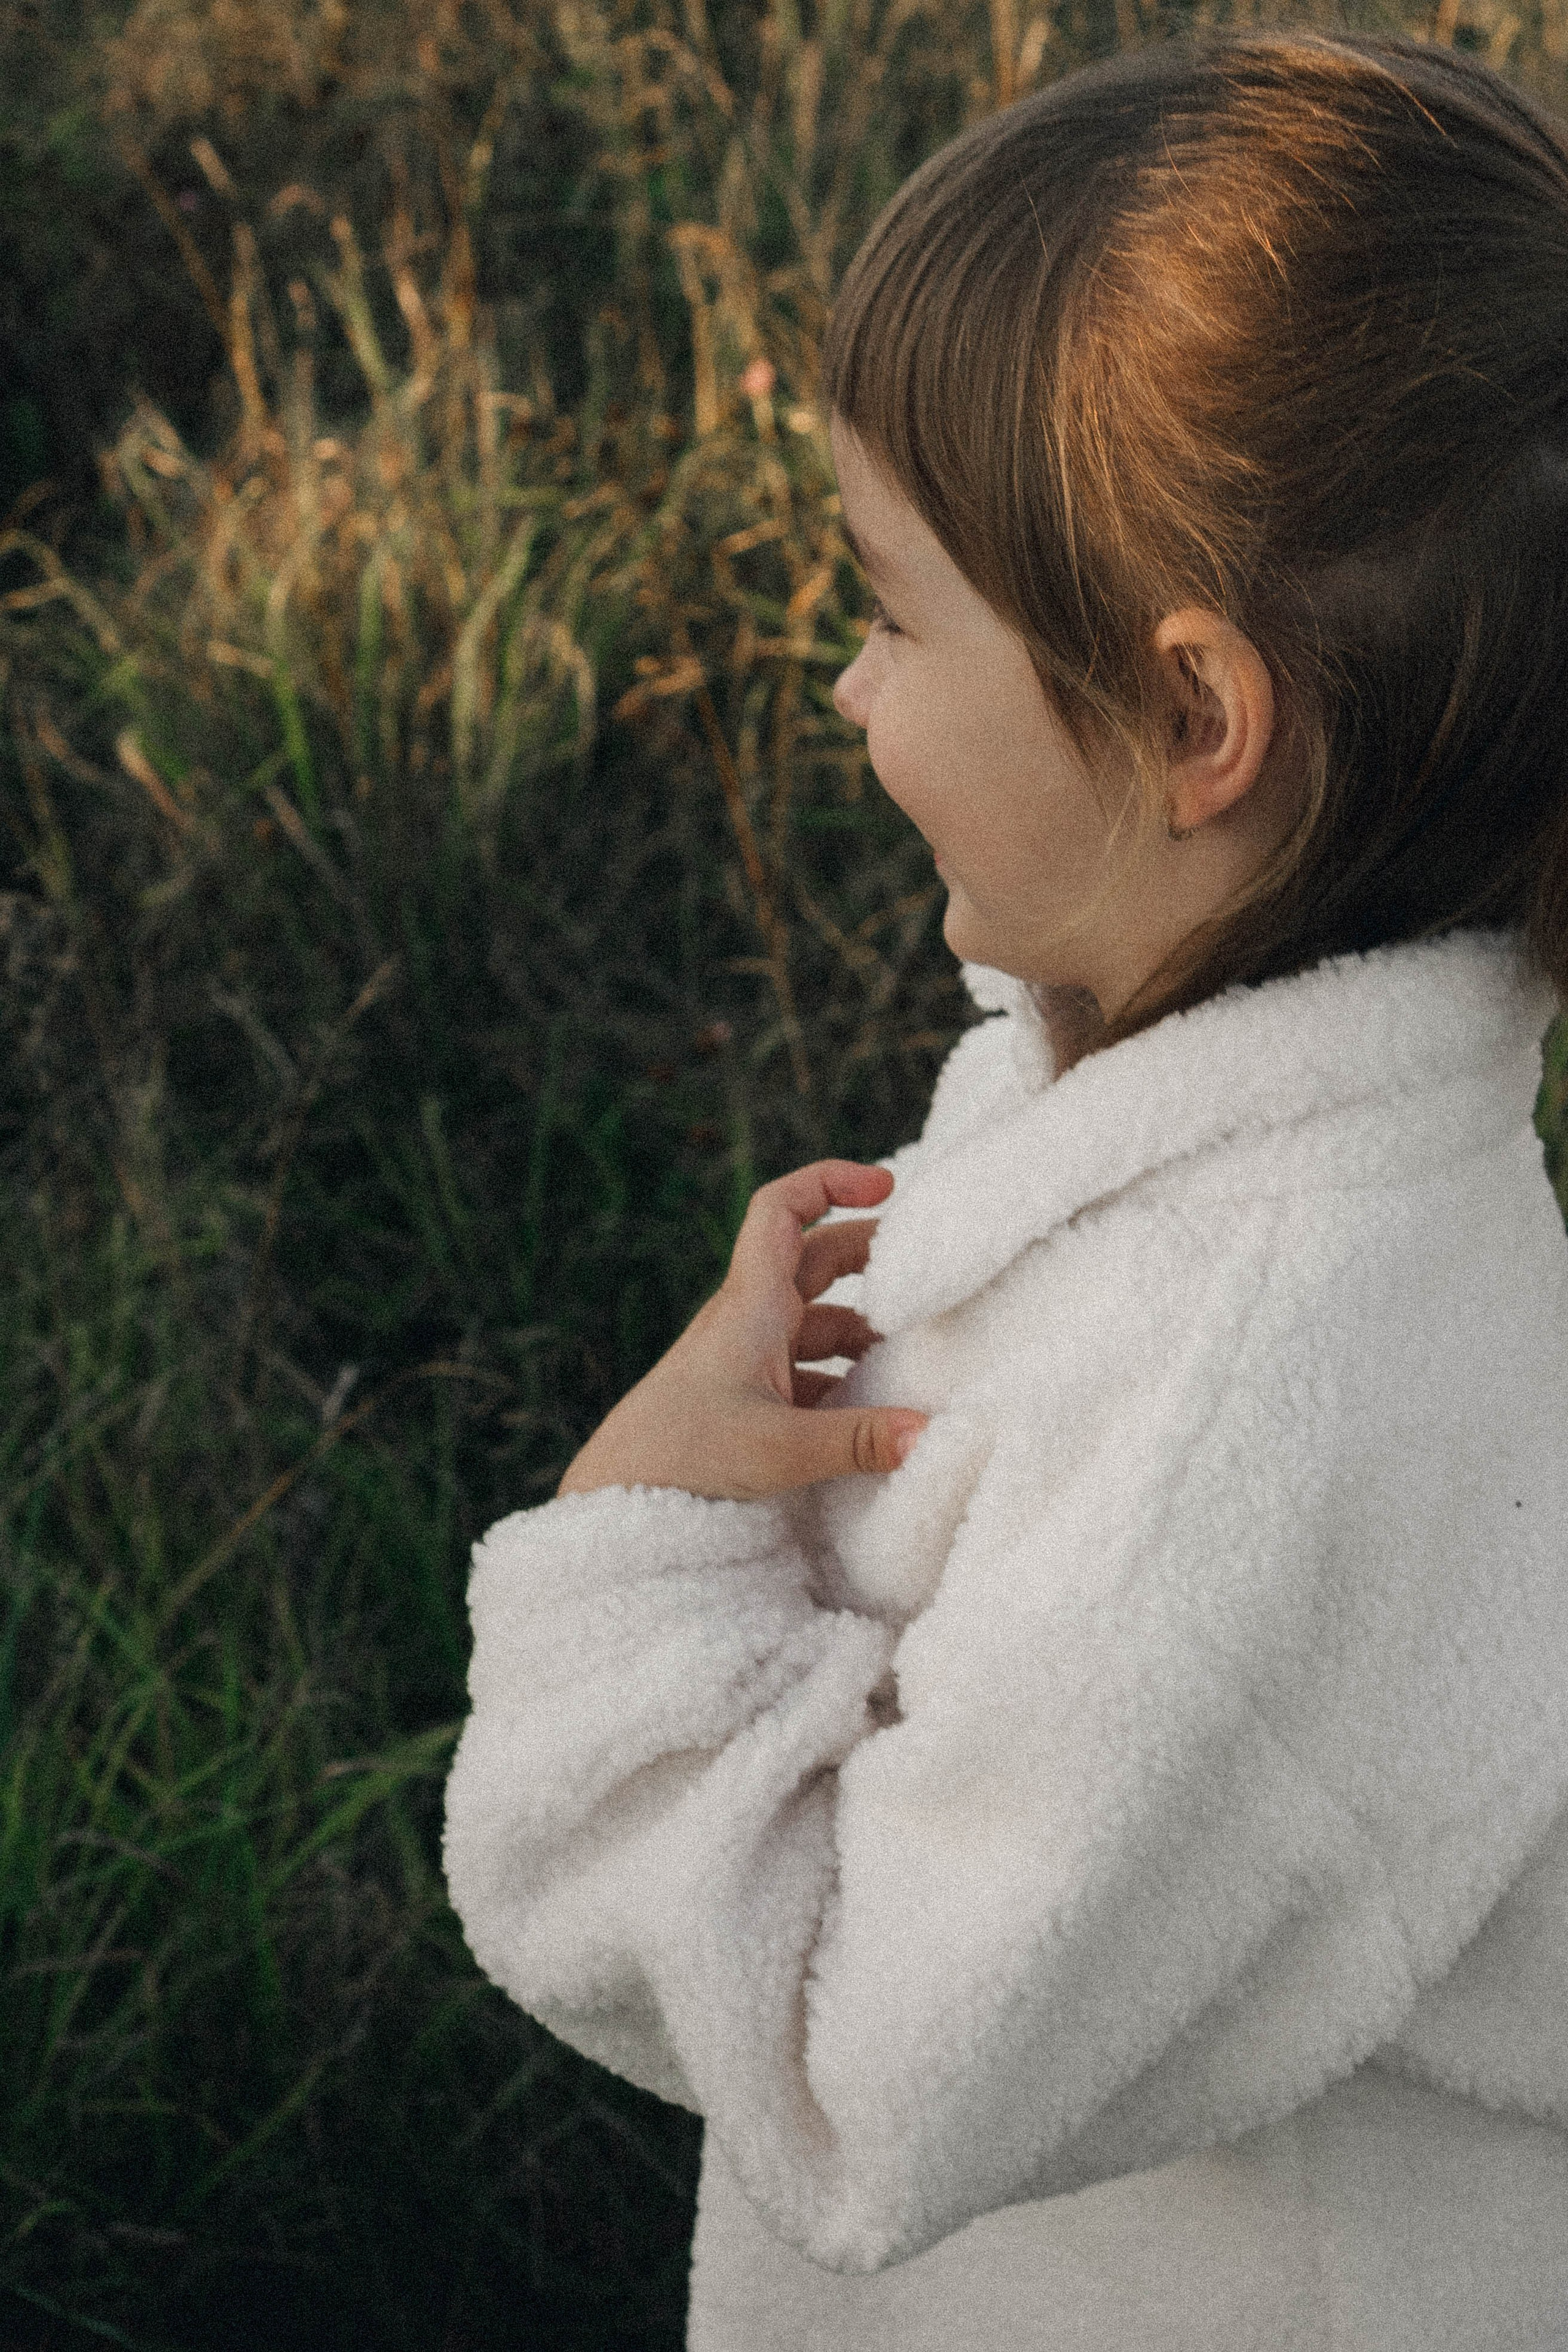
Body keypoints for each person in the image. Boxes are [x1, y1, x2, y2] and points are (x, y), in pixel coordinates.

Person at [443, 26, 1568, 2349]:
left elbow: (867, 2078)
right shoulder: (1201, 1125)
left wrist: (632, 1557)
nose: (849, 697)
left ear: (1188, 722)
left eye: (889, 606)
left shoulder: (1256, 1386)